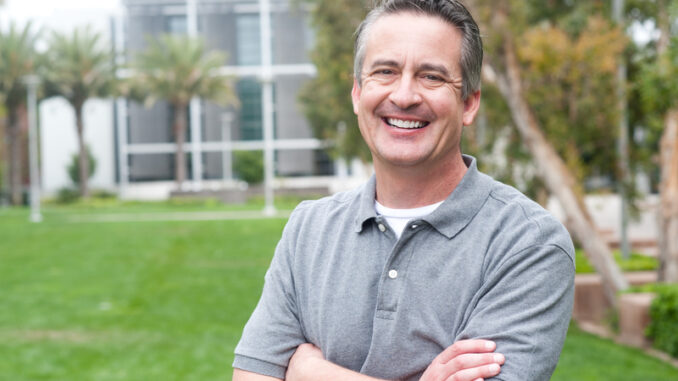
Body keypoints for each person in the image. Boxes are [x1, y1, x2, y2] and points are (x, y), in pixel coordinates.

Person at [233, 0, 575, 380]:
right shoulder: (308, 230)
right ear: (357, 94)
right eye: (385, 71)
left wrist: (309, 371)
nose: (405, 96)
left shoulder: (528, 242)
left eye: (431, 76)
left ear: (469, 104)